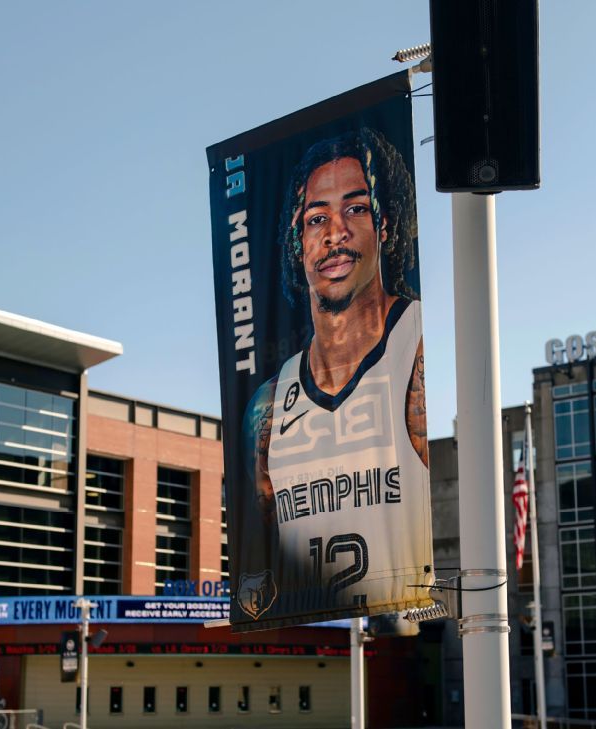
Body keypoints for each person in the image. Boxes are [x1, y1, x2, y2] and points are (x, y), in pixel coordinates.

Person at [239, 127, 429, 620]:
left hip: (411, 626)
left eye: (356, 209)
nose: (335, 234)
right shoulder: (268, 403)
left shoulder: (419, 350)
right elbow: (268, 555)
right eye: (316, 218)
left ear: (384, 225)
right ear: (296, 242)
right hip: (331, 639)